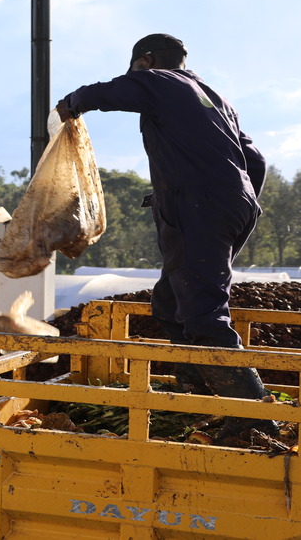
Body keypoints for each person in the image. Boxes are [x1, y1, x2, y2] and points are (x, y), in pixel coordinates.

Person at [55, 34, 273, 434]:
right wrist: (234, 198)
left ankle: (253, 420)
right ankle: (200, 392)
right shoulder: (213, 97)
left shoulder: (160, 80)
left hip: (198, 207)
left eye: (138, 68)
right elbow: (254, 159)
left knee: (203, 311)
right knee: (171, 302)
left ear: (148, 60)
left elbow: (110, 91)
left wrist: (71, 104)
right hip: (235, 204)